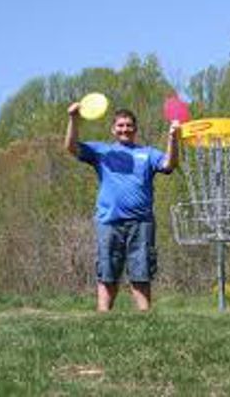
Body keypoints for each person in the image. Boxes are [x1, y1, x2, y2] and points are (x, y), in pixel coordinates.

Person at [65, 104, 180, 312]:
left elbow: (169, 164)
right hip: (109, 222)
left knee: (141, 274)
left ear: (135, 129)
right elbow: (71, 148)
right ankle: (103, 319)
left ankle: (146, 319)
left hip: (141, 223)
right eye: (120, 125)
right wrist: (73, 118)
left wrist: (173, 138)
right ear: (113, 129)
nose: (124, 129)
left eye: (129, 125)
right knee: (107, 274)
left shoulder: (148, 154)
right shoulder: (101, 151)